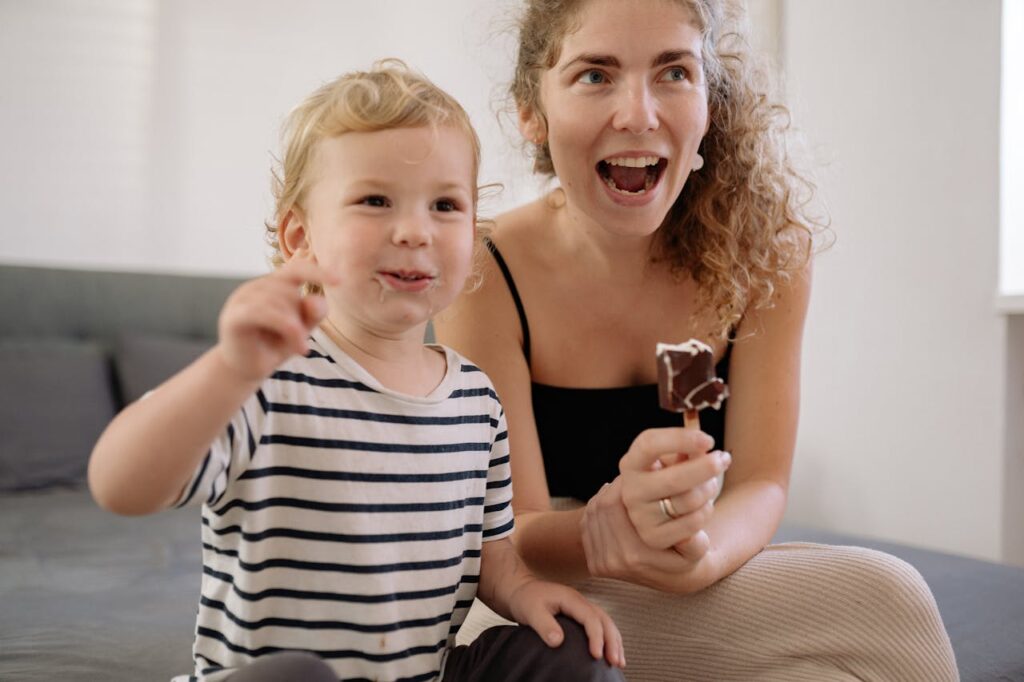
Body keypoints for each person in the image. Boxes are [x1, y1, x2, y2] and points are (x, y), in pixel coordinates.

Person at [434, 1, 959, 680]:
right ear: (532, 111)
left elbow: (762, 483)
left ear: (710, 102)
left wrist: (704, 552)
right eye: (595, 76)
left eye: (674, 72)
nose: (639, 113)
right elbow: (516, 535)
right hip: (533, 601)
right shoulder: (483, 267)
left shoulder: (767, 254)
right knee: (890, 599)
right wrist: (606, 528)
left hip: (690, 579)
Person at [88, 62, 627, 682]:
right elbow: (118, 484)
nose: (415, 231)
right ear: (301, 238)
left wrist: (526, 593)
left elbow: (491, 556)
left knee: (568, 661)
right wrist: (228, 369)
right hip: (278, 677)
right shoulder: (268, 379)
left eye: (446, 205)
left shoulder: (477, 401)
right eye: (375, 201)